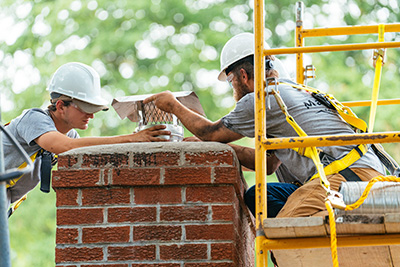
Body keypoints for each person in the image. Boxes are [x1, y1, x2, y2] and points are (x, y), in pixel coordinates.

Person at [143, 32, 386, 218]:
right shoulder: (293, 93)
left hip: (345, 179)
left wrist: (172, 105)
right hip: (366, 174)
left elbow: (210, 133)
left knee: (288, 230)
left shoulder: (261, 99)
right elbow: (269, 164)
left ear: (243, 75)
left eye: (231, 81)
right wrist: (221, 149)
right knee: (260, 197)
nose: (233, 88)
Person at [3, 62, 170, 215]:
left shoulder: (71, 136)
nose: (91, 115)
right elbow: (64, 146)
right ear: (61, 106)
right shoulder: (34, 119)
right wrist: (131, 139)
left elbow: (90, 156)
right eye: (85, 108)